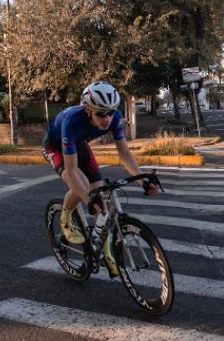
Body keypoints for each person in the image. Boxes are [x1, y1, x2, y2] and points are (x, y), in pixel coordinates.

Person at [43, 81, 157, 277]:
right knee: (84, 187)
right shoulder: (72, 121)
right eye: (101, 113)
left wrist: (142, 180)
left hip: (79, 144)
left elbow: (125, 155)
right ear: (88, 109)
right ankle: (65, 219)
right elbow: (70, 171)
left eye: (111, 112)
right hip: (57, 147)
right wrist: (88, 200)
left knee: (101, 199)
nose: (107, 118)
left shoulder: (114, 119)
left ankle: (105, 254)